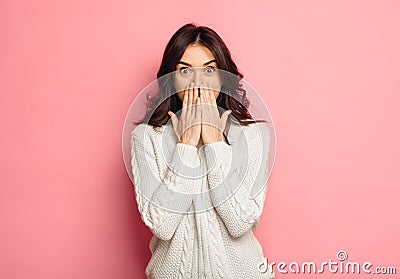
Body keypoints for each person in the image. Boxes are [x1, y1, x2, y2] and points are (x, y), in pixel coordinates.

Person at [130, 23, 275, 279]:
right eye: (185, 71)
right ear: (170, 79)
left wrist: (213, 142)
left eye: (209, 69)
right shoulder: (146, 138)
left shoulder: (254, 136)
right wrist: (185, 145)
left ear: (223, 76)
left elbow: (239, 221)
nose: (198, 82)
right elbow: (162, 224)